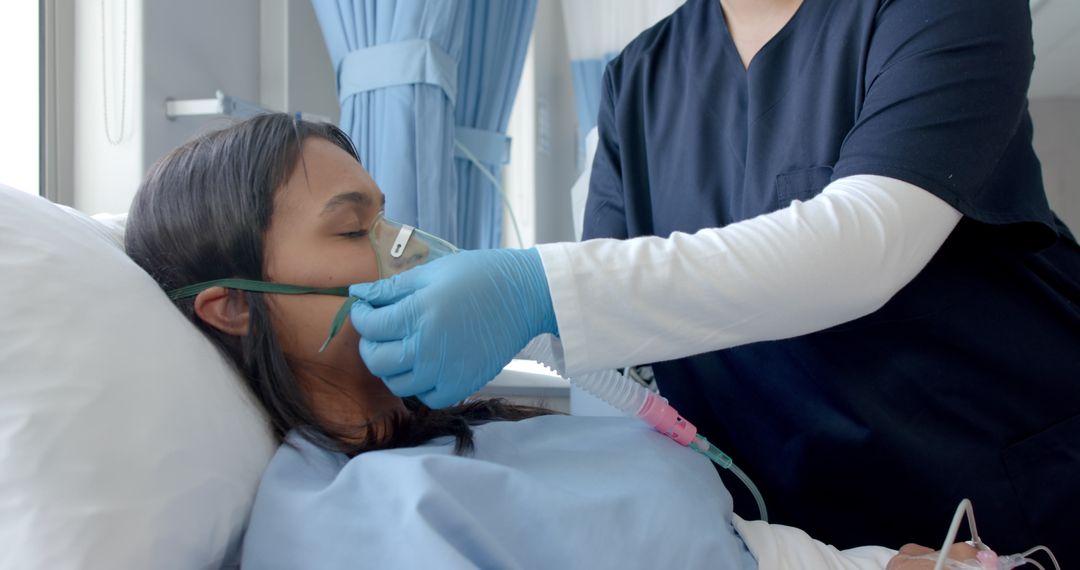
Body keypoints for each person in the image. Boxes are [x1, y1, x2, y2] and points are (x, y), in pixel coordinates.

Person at [347, 0, 1080, 564]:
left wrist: (529, 288)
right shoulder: (639, 76)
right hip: (792, 518)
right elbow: (616, 355)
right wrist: (494, 365)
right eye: (348, 231)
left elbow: (867, 241)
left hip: (987, 474)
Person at [125, 114, 983, 569]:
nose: (403, 248)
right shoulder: (340, 524)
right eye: (354, 231)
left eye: (387, 218)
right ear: (232, 308)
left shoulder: (497, 401)